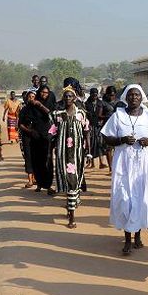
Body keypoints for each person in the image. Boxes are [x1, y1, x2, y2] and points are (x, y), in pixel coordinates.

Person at [102, 84, 148, 255]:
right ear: (125, 97)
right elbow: (106, 137)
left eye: (137, 95)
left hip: (144, 164)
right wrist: (121, 139)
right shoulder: (118, 115)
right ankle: (128, 240)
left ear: (142, 97)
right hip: (124, 163)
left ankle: (137, 236)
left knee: (139, 198)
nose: (134, 98)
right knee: (125, 198)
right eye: (130, 95)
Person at [49, 86, 89, 228]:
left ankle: (73, 202)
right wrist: (49, 152)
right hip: (63, 154)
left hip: (77, 154)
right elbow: (52, 134)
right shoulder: (57, 115)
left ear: (74, 98)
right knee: (70, 181)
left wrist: (88, 151)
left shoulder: (81, 114)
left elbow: (86, 132)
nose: (67, 99)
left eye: (70, 96)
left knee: (76, 180)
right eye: (65, 96)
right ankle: (72, 217)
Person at [26, 85, 55, 192]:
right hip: (36, 135)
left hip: (47, 136)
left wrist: (40, 105)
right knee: (37, 160)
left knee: (47, 160)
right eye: (42, 92)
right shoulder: (33, 104)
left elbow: (50, 113)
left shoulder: (50, 103)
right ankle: (39, 183)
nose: (44, 94)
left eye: (46, 93)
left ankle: (48, 185)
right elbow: (28, 118)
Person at [18, 90, 37, 188]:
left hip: (37, 137)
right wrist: (28, 131)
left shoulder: (39, 109)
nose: (31, 98)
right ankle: (30, 180)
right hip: (27, 136)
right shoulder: (23, 110)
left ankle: (36, 178)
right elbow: (20, 125)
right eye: (30, 96)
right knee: (28, 157)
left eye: (33, 96)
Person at [84, 87, 106, 169]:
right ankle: (91, 163)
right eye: (93, 94)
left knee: (100, 144)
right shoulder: (86, 104)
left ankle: (101, 162)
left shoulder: (101, 103)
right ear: (90, 94)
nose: (94, 96)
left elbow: (106, 112)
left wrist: (103, 119)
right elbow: (85, 114)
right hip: (90, 126)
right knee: (91, 145)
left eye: (96, 94)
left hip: (98, 127)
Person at [101, 86, 118, 175]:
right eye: (110, 95)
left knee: (118, 148)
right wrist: (108, 116)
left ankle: (117, 167)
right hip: (107, 127)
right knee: (108, 148)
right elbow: (99, 115)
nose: (112, 97)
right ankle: (111, 168)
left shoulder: (119, 103)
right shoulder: (103, 103)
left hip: (118, 127)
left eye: (113, 95)